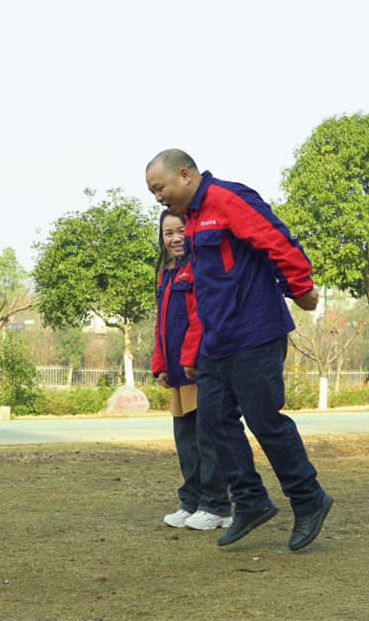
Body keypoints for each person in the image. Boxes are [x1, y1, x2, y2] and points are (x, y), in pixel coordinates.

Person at [144, 149, 333, 552]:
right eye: (152, 192)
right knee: (212, 421)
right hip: (216, 340)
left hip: (254, 331)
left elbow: (277, 241)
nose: (158, 197)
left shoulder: (228, 199)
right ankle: (250, 501)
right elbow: (202, 290)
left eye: (160, 188)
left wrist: (300, 288)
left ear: (185, 175)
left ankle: (309, 499)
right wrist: (193, 349)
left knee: (265, 421)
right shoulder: (192, 221)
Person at [153, 210, 233, 531]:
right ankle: (192, 503)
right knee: (186, 441)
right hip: (177, 373)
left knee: (208, 439)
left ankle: (216, 506)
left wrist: (191, 359)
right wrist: (161, 365)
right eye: (168, 233)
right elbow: (161, 324)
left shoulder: (202, 266)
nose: (175, 239)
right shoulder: (167, 273)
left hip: (199, 368)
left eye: (180, 231)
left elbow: (202, 316)